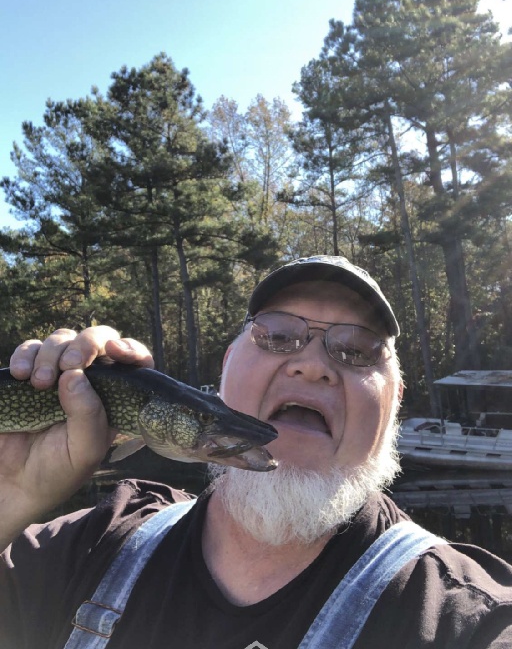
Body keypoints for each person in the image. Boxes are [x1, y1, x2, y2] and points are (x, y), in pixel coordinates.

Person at [0, 255, 511, 648]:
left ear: (395, 401)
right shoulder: (83, 546)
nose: (311, 366)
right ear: (224, 373)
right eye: (276, 336)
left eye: (357, 351)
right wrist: (10, 495)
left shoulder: (466, 617)